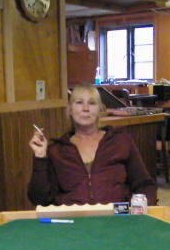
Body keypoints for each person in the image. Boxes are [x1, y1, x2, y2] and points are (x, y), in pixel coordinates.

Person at [27, 84, 157, 206]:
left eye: (92, 103)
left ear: (100, 110)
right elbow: (40, 199)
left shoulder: (120, 141)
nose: (85, 108)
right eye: (79, 102)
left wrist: (140, 212)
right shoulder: (56, 150)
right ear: (69, 110)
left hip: (117, 217)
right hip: (73, 220)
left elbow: (145, 185)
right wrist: (40, 157)